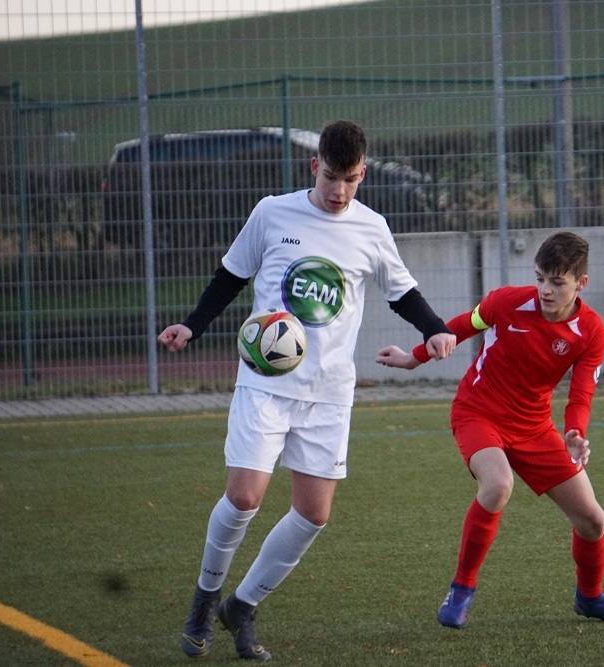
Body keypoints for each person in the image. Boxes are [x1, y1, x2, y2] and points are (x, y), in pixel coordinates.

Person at [158, 120, 456, 661]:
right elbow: (230, 277)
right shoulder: (273, 212)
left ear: (362, 174)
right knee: (244, 497)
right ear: (313, 166)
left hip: (329, 391)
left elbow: (401, 291)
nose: (339, 191)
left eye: (350, 179)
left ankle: (242, 606)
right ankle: (204, 600)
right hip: (266, 384)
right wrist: (192, 326)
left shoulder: (371, 228)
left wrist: (433, 328)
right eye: (331, 177)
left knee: (314, 514)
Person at [375, 231, 604, 628]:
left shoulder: (591, 331)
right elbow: (462, 326)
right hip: (477, 412)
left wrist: (574, 433)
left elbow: (581, 393)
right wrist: (414, 357)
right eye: (540, 278)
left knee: (592, 520)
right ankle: (461, 590)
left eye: (557, 282)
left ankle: (589, 597)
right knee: (498, 485)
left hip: (534, 427)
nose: (545, 290)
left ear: (581, 283)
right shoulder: (507, 302)